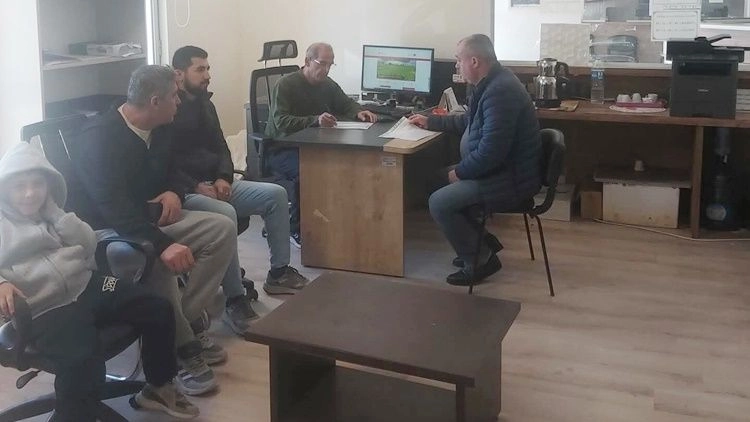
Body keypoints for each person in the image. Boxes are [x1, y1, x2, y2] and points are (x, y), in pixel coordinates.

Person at [68, 65, 236, 396]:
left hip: (148, 219)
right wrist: (162, 244)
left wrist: (174, 191)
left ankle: (180, 323)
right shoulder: (98, 138)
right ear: (155, 101)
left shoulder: (160, 127)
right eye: (175, 96)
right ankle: (183, 347)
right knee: (156, 259)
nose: (180, 102)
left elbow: (174, 169)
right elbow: (112, 209)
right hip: (106, 232)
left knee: (222, 228)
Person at [0, 142, 199, 420]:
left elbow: (88, 243)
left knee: (157, 306)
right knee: (82, 360)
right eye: (19, 186)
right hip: (43, 307)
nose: (30, 193)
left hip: (86, 284)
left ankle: (158, 387)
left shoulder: (53, 214)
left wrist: (57, 214)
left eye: (38, 184)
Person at [170, 46, 309, 332]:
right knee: (225, 215)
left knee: (276, 195)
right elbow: (164, 164)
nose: (207, 75)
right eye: (200, 69)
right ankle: (235, 299)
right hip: (187, 192)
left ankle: (279, 273)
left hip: (216, 184)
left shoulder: (205, 104)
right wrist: (195, 185)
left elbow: (221, 146)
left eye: (208, 68)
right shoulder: (168, 109)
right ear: (179, 74)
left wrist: (224, 177)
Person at [408, 34, 541, 286]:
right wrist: (431, 121)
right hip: (497, 172)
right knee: (434, 181)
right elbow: (470, 123)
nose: (457, 65)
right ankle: (479, 242)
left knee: (439, 202)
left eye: (459, 60)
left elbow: (492, 153)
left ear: (475, 61)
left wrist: (459, 173)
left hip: (508, 179)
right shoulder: (490, 84)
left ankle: (480, 260)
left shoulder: (500, 92)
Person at [265, 42, 378, 246]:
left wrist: (358, 111)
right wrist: (315, 120)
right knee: (309, 172)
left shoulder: (327, 84)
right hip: (282, 148)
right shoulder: (285, 85)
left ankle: (332, 220)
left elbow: (345, 103)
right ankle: (295, 228)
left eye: (330, 64)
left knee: (343, 166)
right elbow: (281, 122)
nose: (326, 69)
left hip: (314, 146)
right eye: (322, 63)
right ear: (308, 61)